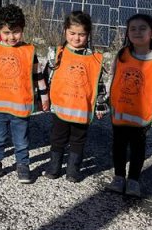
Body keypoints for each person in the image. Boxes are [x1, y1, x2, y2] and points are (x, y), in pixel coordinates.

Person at [0, 5, 46, 183]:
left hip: (20, 105)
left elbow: (38, 76)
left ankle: (23, 164)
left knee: (21, 140)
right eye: (6, 32)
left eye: (16, 32)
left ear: (22, 30)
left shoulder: (29, 51)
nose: (11, 37)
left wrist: (44, 97)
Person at [106, 14, 152, 198]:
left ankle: (133, 180)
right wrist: (108, 99)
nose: (137, 32)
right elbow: (113, 77)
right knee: (118, 146)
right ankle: (118, 177)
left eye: (142, 28)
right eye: (132, 28)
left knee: (138, 148)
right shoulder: (122, 55)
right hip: (120, 112)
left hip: (142, 116)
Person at [44, 11, 106, 183]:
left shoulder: (94, 59)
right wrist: (43, 98)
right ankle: (54, 167)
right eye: (72, 33)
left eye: (81, 34)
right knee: (58, 138)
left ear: (88, 35)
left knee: (78, 140)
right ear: (65, 31)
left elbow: (98, 84)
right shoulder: (56, 53)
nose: (76, 38)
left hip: (82, 109)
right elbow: (48, 77)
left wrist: (100, 106)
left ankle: (73, 170)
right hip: (60, 107)